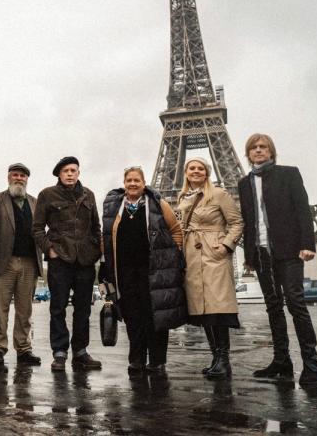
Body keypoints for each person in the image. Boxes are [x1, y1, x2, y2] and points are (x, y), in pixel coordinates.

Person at [238, 133, 317, 386]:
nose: (259, 150)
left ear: (271, 151)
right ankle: (282, 361)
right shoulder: (244, 183)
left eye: (263, 147)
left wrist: (307, 244)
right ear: (248, 153)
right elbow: (248, 221)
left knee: (296, 304)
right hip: (262, 254)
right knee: (273, 307)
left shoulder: (289, 174)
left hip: (288, 251)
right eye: (254, 147)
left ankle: (311, 363)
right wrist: (250, 256)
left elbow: (302, 209)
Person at [101, 166, 186, 377]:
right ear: (124, 183)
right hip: (126, 271)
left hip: (153, 269)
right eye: (129, 180)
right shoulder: (115, 207)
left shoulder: (157, 204)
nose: (132, 184)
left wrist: (172, 256)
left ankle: (157, 360)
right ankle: (136, 359)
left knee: (154, 315)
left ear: (144, 182)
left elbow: (175, 230)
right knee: (132, 316)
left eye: (136, 180)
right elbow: (105, 236)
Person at [175, 158, 244, 380]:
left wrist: (225, 246)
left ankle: (224, 360)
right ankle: (216, 358)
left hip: (213, 254)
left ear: (207, 173)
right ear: (185, 172)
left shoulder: (219, 194)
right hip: (192, 256)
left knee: (217, 308)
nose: (196, 171)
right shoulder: (182, 197)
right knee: (203, 310)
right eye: (192, 168)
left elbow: (236, 222)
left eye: (200, 168)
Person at [32, 156, 102, 371]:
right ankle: (60, 353)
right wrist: (50, 250)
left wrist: (96, 252)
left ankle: (80, 352)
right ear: (59, 175)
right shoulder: (47, 195)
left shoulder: (88, 195)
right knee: (58, 308)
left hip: (85, 261)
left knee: (83, 309)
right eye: (66, 171)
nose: (70, 174)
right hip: (60, 260)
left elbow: (96, 227)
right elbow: (36, 229)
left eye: (73, 170)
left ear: (78, 173)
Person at [0, 162, 44, 366]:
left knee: (25, 309)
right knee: (0, 308)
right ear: (8, 177)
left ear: (27, 179)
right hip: (4, 261)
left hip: (29, 262)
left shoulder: (36, 202)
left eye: (23, 176)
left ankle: (24, 349)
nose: (19, 178)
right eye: (15, 175)